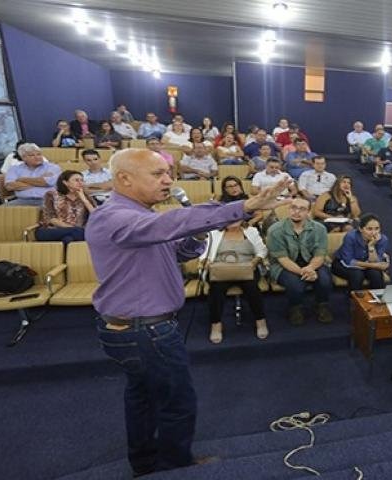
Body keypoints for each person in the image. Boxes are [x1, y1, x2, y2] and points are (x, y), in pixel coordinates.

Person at [86, 148, 290, 478]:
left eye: (168, 173)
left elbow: (178, 250)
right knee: (176, 405)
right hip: (145, 332)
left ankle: (145, 466)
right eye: (157, 174)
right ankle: (174, 469)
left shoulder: (141, 217)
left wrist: (197, 233)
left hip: (137, 330)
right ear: (123, 178)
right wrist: (243, 205)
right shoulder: (113, 216)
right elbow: (171, 223)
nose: (168, 179)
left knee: (142, 399)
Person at [267, 196, 333, 325]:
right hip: (283, 265)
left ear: (309, 212)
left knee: (325, 280)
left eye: (302, 209)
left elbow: (320, 255)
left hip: (311, 262)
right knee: (295, 285)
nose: (296, 212)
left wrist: (310, 268)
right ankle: (295, 308)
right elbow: (283, 259)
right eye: (293, 208)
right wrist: (304, 271)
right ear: (289, 209)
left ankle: (322, 305)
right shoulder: (275, 230)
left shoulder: (319, 229)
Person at [203, 219, 269, 344]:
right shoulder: (213, 233)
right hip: (220, 269)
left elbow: (262, 251)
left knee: (252, 288)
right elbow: (203, 253)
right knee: (216, 289)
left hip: (247, 268)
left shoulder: (251, 231)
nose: (233, 220)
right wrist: (206, 262)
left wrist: (255, 261)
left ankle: (260, 321)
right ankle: (216, 324)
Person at [332, 213, 389, 291]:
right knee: (357, 275)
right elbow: (349, 261)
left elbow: (375, 261)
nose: (374, 232)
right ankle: (354, 301)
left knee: (376, 275)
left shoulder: (383, 239)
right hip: (342, 264)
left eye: (377, 228)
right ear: (360, 229)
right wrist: (375, 266)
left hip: (366, 264)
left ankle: (377, 299)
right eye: (369, 229)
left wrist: (371, 246)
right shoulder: (351, 237)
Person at [35, 170, 96, 244]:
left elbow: (96, 215)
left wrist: (84, 199)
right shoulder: (51, 195)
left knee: (68, 239)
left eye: (82, 180)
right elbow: (50, 218)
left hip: (77, 232)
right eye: (76, 180)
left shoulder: (86, 197)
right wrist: (72, 228)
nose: (80, 183)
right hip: (53, 230)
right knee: (79, 232)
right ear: (65, 182)